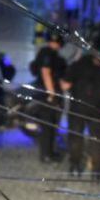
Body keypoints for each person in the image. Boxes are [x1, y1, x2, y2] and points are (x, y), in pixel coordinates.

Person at [61, 37, 100, 179]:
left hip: (77, 108)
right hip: (97, 108)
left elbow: (65, 86)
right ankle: (96, 172)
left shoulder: (77, 65)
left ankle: (75, 167)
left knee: (75, 137)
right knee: (96, 139)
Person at [30, 31, 67, 163]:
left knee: (52, 125)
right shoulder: (47, 53)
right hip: (48, 95)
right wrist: (52, 94)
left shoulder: (48, 52)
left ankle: (50, 152)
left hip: (49, 93)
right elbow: (46, 73)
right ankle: (46, 155)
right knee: (47, 125)